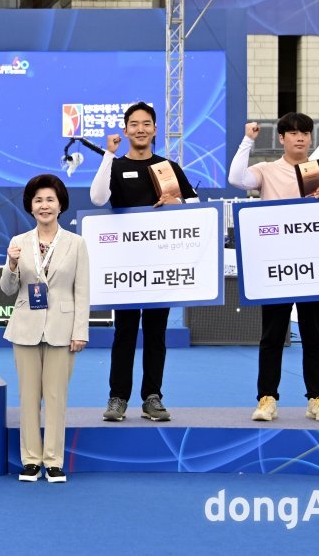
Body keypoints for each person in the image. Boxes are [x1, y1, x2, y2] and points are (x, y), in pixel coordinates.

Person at [89, 101, 197, 422]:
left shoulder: (168, 167)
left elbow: (195, 206)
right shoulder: (116, 166)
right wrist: (108, 155)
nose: (140, 129)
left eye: (146, 124)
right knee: (124, 332)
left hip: (160, 265)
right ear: (125, 130)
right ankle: (117, 398)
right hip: (124, 267)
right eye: (134, 124)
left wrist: (177, 201)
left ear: (154, 129)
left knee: (155, 333)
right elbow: (97, 198)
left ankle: (152, 397)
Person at [229, 112, 319, 423]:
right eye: (292, 133)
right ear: (281, 139)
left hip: (312, 267)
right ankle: (267, 398)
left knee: (314, 335)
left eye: (304, 132)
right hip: (275, 267)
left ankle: (317, 398)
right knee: (272, 336)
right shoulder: (266, 170)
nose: (300, 137)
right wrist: (248, 140)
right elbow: (236, 179)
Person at [1, 174, 89, 483]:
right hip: (25, 328)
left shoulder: (77, 244)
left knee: (55, 397)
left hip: (63, 330)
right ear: (30, 206)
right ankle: (30, 461)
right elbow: (8, 289)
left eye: (50, 199)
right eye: (38, 200)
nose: (44, 205)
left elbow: (82, 291)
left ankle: (53, 460)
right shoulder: (18, 243)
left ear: (61, 204)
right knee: (28, 397)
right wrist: (11, 266)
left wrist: (80, 331)